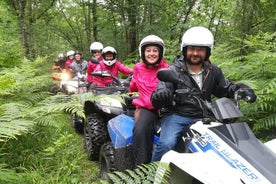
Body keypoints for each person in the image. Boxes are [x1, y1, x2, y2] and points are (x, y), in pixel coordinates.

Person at [150, 26, 257, 162]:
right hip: (177, 116)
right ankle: (153, 175)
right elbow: (159, 93)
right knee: (167, 144)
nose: (195, 53)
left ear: (207, 51)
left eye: (200, 49)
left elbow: (225, 88)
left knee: (226, 148)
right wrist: (162, 95)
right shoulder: (173, 71)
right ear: (185, 49)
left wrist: (240, 89)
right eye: (192, 49)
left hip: (204, 117)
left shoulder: (213, 71)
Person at [129, 35, 169, 168]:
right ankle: (140, 169)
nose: (151, 53)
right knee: (141, 129)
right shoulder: (138, 68)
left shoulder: (167, 68)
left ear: (160, 52)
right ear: (143, 52)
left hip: (166, 108)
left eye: (155, 50)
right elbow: (133, 86)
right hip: (146, 108)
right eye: (148, 50)